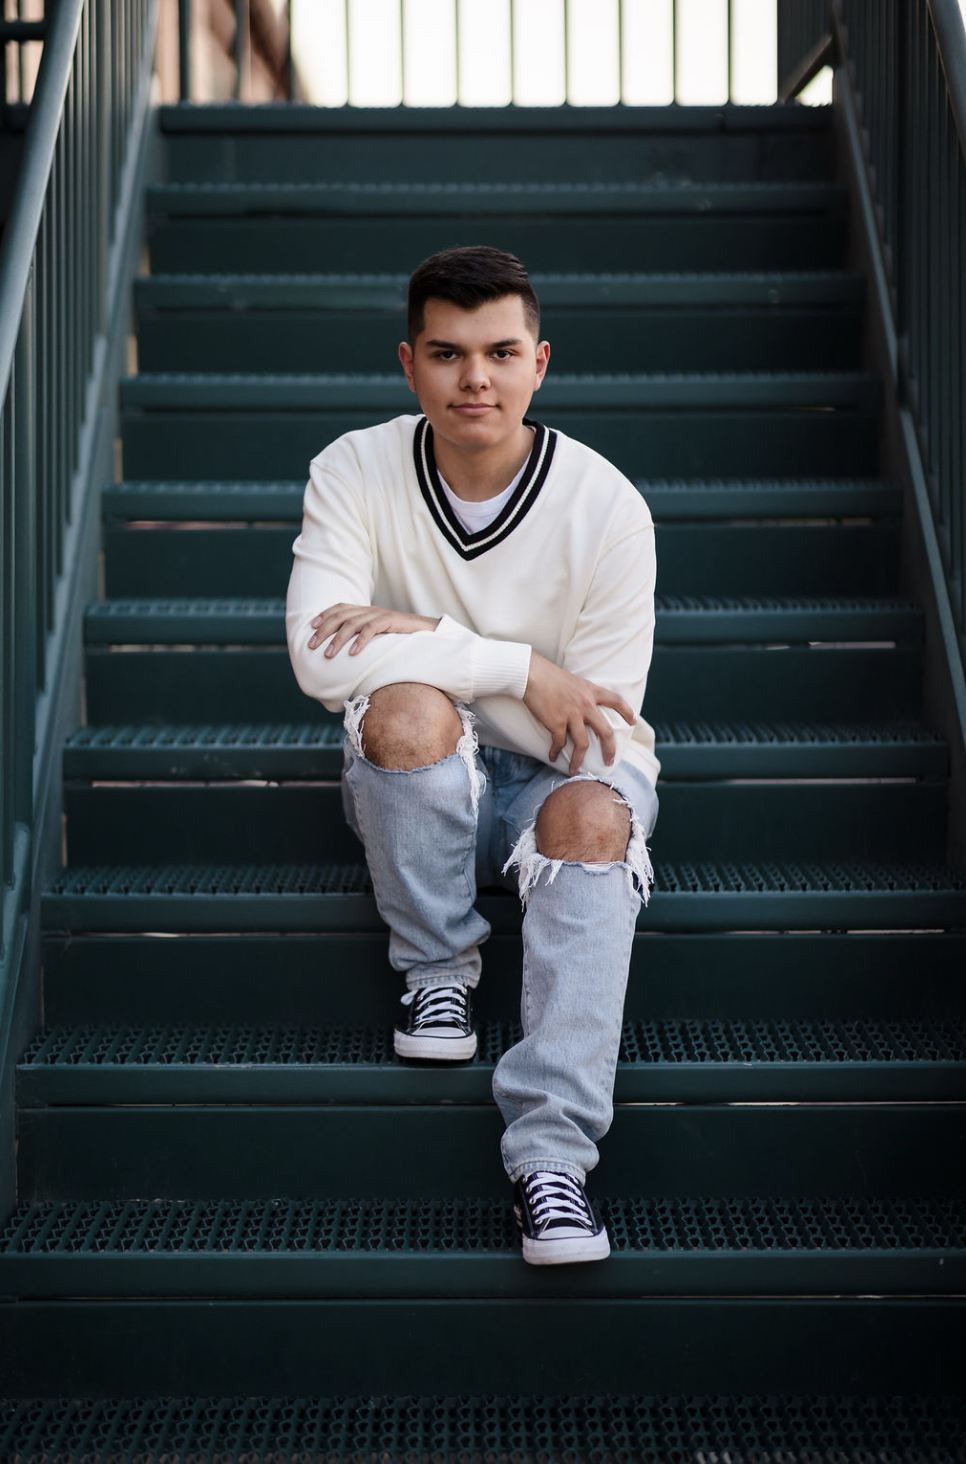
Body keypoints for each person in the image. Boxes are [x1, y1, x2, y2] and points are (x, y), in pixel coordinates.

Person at [286, 245, 658, 1265]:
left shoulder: (607, 505)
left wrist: (419, 633)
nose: (475, 379)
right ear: (409, 365)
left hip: (556, 783)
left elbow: (590, 725)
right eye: (448, 355)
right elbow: (323, 661)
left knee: (591, 812)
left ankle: (551, 1163)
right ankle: (438, 964)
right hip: (422, 771)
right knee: (402, 711)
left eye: (500, 352)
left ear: (541, 362)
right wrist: (518, 667)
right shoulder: (353, 469)